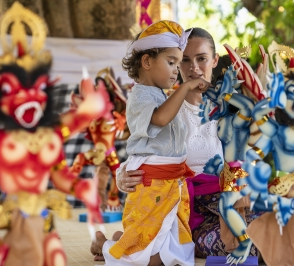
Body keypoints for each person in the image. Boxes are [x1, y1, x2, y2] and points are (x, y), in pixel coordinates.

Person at [91, 27, 261, 261]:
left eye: (201, 59)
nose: (194, 68)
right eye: (186, 61)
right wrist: (122, 174)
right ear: (178, 64)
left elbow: (249, 156)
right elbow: (143, 150)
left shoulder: (229, 109)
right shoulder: (164, 107)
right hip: (183, 209)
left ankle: (127, 241)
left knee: (275, 225)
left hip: (224, 202)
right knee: (252, 245)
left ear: (214, 61)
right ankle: (128, 244)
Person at [91, 20, 210, 266]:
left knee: (172, 250)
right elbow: (160, 119)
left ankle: (121, 240)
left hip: (172, 185)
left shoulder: (161, 95)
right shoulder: (142, 95)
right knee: (151, 257)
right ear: (147, 62)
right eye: (173, 62)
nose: (179, 70)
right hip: (152, 183)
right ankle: (107, 245)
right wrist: (186, 86)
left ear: (215, 60)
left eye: (179, 63)